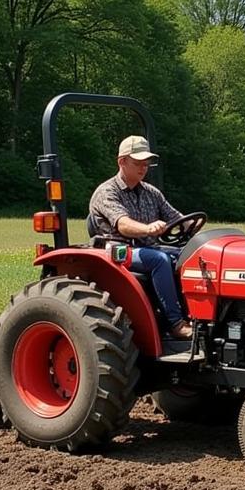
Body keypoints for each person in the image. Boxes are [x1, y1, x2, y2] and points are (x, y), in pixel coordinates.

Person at [88, 135, 193, 340]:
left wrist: (194, 228)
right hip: (117, 251)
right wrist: (148, 229)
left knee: (189, 255)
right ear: (122, 162)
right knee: (159, 260)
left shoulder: (150, 192)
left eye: (146, 164)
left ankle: (197, 316)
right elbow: (123, 224)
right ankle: (175, 323)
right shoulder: (107, 192)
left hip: (146, 247)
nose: (143, 168)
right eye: (138, 163)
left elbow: (177, 218)